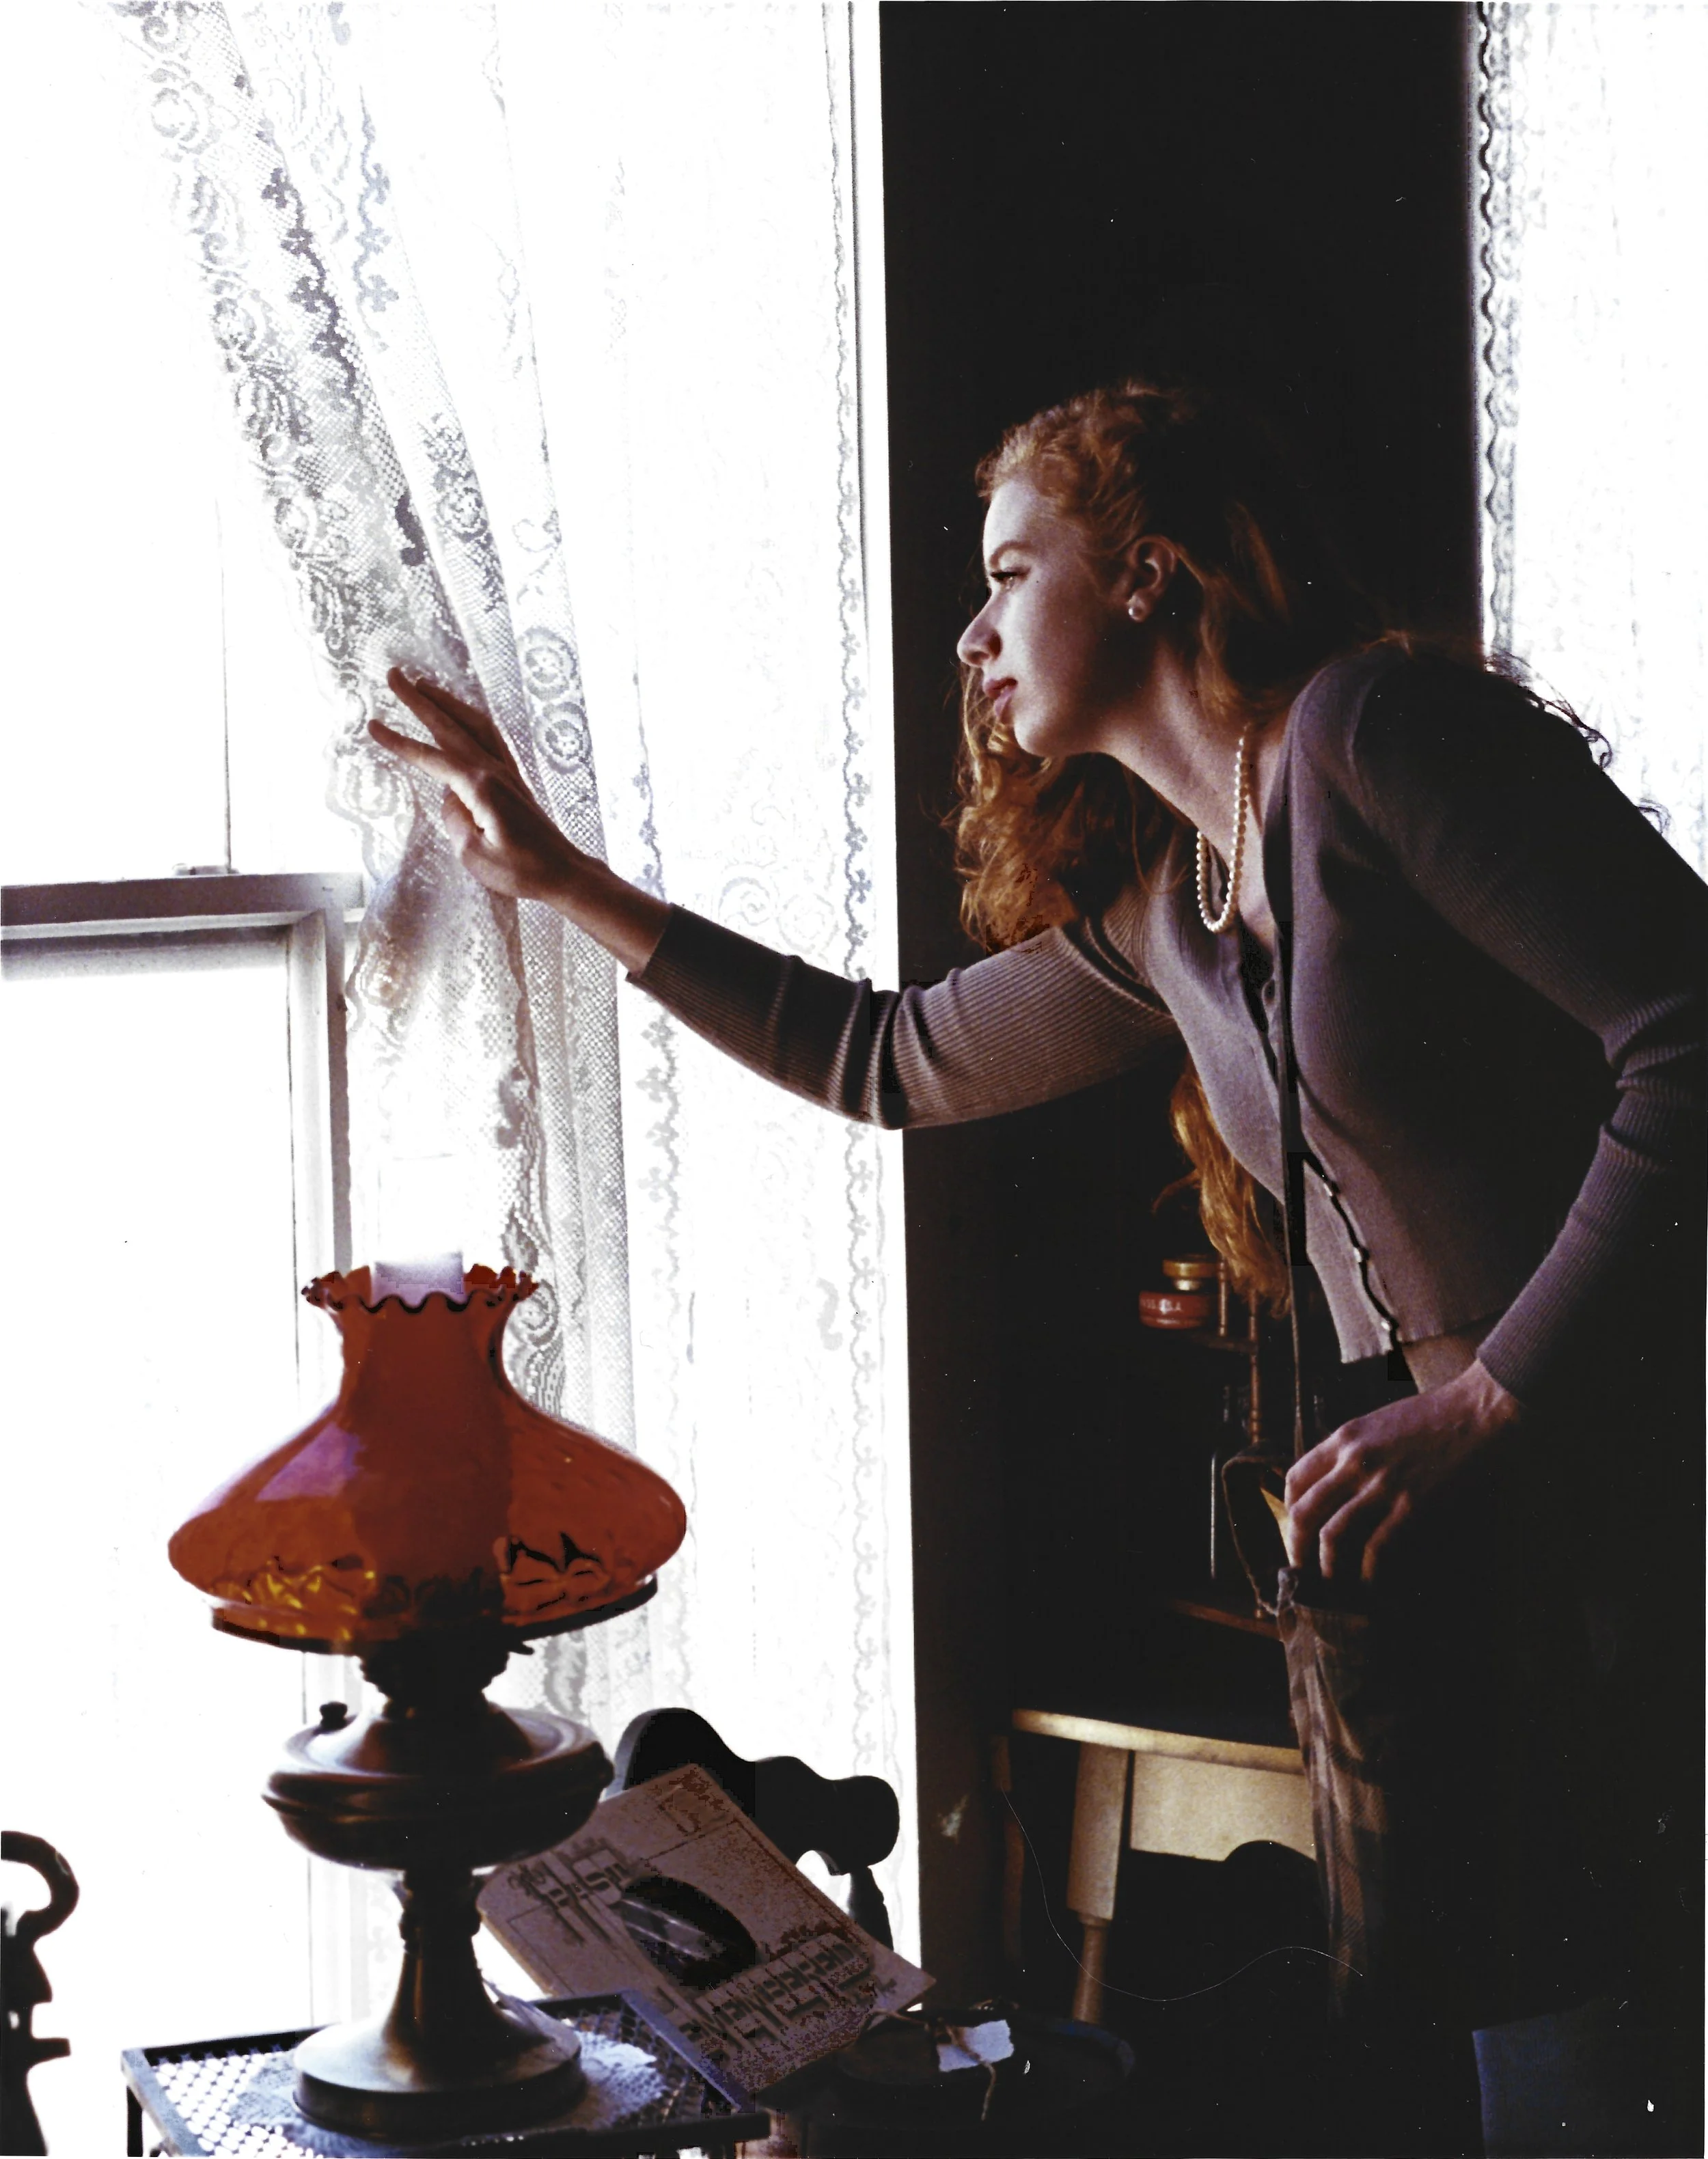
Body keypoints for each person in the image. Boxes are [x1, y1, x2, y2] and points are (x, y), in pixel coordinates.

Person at [370, 381, 1704, 2154]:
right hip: (1466, 1536)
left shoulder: (1377, 736)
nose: (970, 631)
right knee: (1522, 2051)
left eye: (1010, 572)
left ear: (1147, 573)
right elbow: (884, 1057)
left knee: (1605, 2050)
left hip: (1619, 1475)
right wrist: (555, 879)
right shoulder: (1176, 908)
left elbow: (1686, 1030)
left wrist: (1485, 1402)